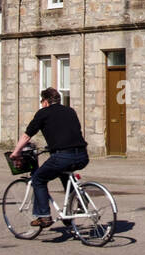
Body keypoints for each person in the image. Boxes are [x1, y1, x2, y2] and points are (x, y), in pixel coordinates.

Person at [10, 87, 89, 228]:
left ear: (46, 101)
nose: (41, 104)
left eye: (42, 101)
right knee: (65, 176)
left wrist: (16, 152)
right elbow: (70, 132)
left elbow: (27, 135)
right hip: (82, 155)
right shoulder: (70, 111)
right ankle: (75, 205)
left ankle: (44, 216)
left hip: (63, 156)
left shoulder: (43, 113)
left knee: (38, 179)